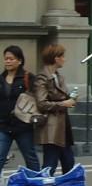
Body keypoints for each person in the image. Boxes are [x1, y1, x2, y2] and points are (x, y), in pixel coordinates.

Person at [33, 43, 78, 175]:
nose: (65, 59)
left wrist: (71, 100)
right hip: (51, 127)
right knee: (50, 164)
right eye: (63, 56)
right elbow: (41, 103)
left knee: (68, 161)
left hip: (62, 126)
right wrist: (64, 103)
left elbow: (61, 98)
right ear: (56, 58)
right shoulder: (42, 78)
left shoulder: (58, 77)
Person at [0, 45, 41, 172]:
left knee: (30, 157)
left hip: (23, 126)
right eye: (6, 59)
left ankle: (36, 185)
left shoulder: (28, 78)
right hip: (3, 126)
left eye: (11, 59)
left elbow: (39, 97)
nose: (7, 61)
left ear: (19, 60)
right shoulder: (1, 79)